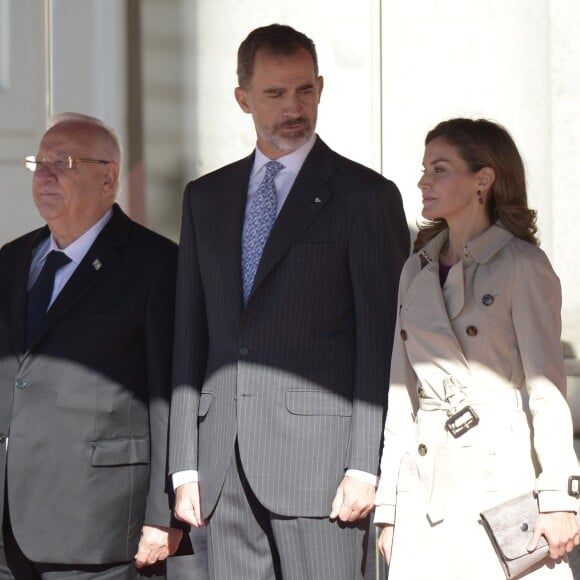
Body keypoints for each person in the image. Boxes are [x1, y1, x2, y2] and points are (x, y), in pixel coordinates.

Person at [169, 23, 409, 580]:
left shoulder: (366, 197)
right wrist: (185, 464)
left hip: (323, 471)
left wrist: (366, 466)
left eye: (304, 90)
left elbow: (383, 343)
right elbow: (190, 334)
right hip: (220, 468)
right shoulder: (205, 198)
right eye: (275, 94)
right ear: (243, 99)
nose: (293, 107)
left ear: (321, 88)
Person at [374, 117, 580, 578]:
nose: (423, 181)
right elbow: (400, 394)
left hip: (500, 481)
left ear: (483, 178)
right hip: (424, 487)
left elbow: (547, 390)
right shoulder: (416, 269)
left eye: (439, 169)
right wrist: (389, 507)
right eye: (425, 168)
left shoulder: (523, 266)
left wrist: (559, 498)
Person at [0, 113, 184, 579]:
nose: (44, 175)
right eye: (38, 162)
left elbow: (171, 396)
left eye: (62, 161)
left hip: (96, 526)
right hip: (8, 525)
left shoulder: (156, 265)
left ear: (109, 177)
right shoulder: (12, 259)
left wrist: (163, 514)